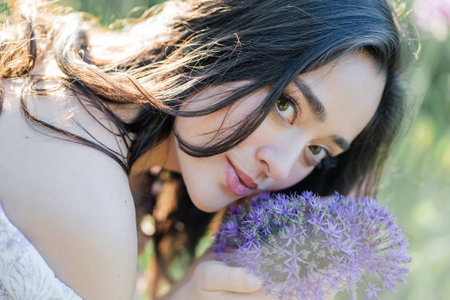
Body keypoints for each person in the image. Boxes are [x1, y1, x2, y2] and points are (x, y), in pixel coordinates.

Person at [0, 0, 409, 299]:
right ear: (230, 37)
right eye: (285, 105)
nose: (281, 168)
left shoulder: (67, 90)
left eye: (318, 151)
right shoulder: (93, 207)